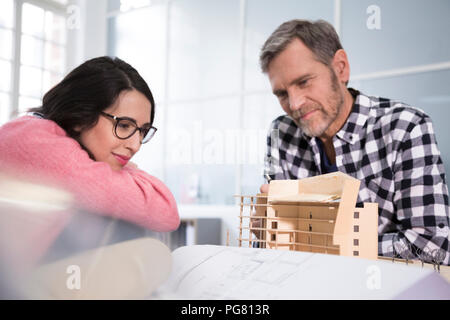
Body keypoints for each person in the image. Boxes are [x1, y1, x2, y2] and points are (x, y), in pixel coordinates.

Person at [258, 19, 449, 265]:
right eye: (282, 94)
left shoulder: (405, 127)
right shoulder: (281, 132)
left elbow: (433, 246)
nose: (294, 104)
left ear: (340, 68)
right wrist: (265, 227)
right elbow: (276, 241)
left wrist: (325, 242)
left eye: (304, 82)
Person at [0, 56, 180, 235]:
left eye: (142, 131)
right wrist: (129, 171)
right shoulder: (36, 142)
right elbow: (165, 211)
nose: (135, 145)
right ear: (81, 115)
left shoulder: (31, 130)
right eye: (124, 125)